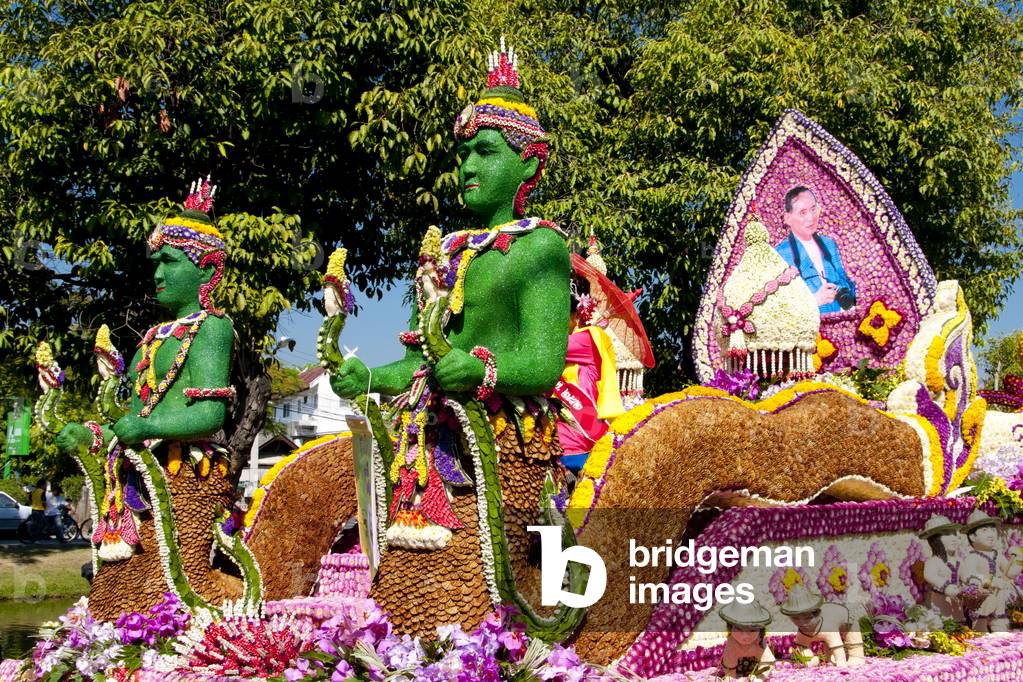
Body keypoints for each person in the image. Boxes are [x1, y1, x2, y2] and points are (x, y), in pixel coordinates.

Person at [330, 39, 570, 545]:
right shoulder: (450, 253)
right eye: (463, 154)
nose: (468, 167)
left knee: (475, 573)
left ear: (528, 163)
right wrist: (370, 376)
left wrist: (482, 370)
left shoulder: (541, 246)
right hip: (426, 443)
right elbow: (423, 362)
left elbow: (545, 362)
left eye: (485, 151)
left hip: (503, 441)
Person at [552, 275, 625, 474]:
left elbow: (546, 350)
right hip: (555, 441)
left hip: (579, 442)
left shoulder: (589, 338)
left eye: (559, 313)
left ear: (576, 313)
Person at [774, 186, 857, 315]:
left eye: (813, 209)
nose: (811, 218)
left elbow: (843, 279)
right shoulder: (780, 255)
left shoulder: (829, 244)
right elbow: (778, 306)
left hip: (840, 319)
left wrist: (844, 290)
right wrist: (815, 300)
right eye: (803, 212)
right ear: (788, 218)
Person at [781, 584, 865, 667]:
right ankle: (830, 658)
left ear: (818, 614)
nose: (802, 623)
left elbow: (837, 646)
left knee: (853, 642)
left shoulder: (828, 627)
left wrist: (841, 664)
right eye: (795, 618)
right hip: (827, 628)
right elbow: (802, 645)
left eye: (807, 618)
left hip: (848, 620)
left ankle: (856, 656)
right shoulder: (802, 632)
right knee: (829, 654)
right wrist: (809, 659)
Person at [919, 513, 964, 621]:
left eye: (954, 534)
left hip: (957, 603)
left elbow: (965, 574)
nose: (953, 538)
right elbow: (929, 575)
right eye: (947, 534)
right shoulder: (934, 562)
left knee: (959, 624)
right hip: (940, 602)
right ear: (935, 540)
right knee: (942, 622)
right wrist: (946, 586)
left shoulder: (959, 560)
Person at [718, 600, 775, 678]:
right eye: (738, 628)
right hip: (737, 668)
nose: (745, 636)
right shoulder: (732, 642)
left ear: (760, 629)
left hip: (755, 668)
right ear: (730, 627)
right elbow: (729, 669)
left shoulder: (759, 641)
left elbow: (768, 662)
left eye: (752, 630)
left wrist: (760, 678)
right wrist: (730, 678)